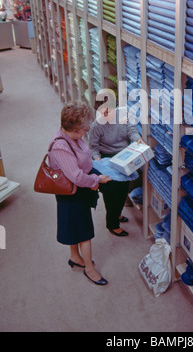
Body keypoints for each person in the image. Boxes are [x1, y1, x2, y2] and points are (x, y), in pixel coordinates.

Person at [48, 101, 112, 286]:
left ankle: (75, 257)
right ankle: (89, 270)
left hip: (79, 188)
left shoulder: (73, 137)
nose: (86, 131)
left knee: (74, 226)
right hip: (72, 193)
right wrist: (96, 181)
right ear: (75, 129)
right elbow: (76, 176)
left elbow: (81, 161)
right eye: (84, 128)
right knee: (84, 231)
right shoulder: (61, 146)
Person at [89, 89, 144, 237]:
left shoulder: (122, 115)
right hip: (107, 159)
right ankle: (112, 224)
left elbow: (131, 129)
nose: (105, 115)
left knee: (123, 189)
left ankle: (117, 213)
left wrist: (137, 138)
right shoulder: (96, 126)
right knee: (111, 194)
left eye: (109, 111)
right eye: (102, 112)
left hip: (124, 156)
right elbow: (93, 148)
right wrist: (98, 160)